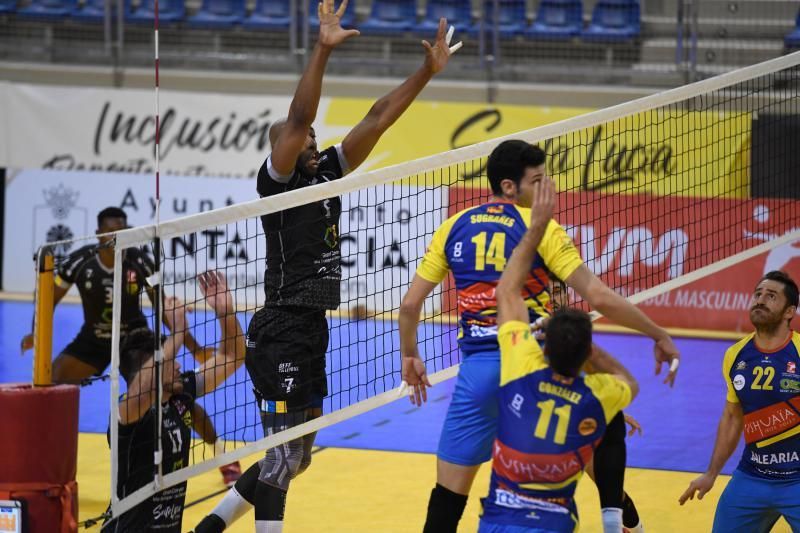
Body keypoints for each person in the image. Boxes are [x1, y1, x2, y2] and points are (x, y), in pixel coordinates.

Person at [193, 2, 461, 531]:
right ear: (283, 152)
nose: (314, 145)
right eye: (306, 143)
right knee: (281, 457)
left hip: (313, 326)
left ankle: (209, 528)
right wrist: (322, 47)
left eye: (316, 142)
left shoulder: (325, 176)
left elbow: (377, 117)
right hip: (281, 325)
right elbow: (298, 119)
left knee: (297, 457)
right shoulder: (276, 184)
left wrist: (425, 74)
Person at [398, 140, 679, 532]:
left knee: (447, 499)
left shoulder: (454, 225)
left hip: (478, 375)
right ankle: (623, 521)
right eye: (539, 181)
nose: (548, 190)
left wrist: (409, 355)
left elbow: (410, 306)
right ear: (510, 186)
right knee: (595, 440)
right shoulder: (541, 229)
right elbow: (597, 296)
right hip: (535, 369)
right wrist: (657, 333)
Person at [20, 207, 241, 485]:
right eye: (112, 232)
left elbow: (163, 307)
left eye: (123, 231)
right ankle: (44, 459)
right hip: (94, 339)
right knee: (49, 385)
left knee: (174, 397)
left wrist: (195, 349)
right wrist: (34, 333)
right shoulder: (79, 262)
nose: (118, 237)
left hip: (134, 339)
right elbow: (48, 297)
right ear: (99, 233)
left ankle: (224, 456)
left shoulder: (139, 261)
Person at [479, 176, 638, 531]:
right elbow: (620, 379)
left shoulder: (530, 348)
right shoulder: (552, 336)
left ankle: (620, 516)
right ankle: (616, 516)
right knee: (604, 435)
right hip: (561, 395)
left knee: (608, 460)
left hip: (548, 391)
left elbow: (507, 293)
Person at [103, 271, 245, 532]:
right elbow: (144, 389)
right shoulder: (127, 413)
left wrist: (225, 312)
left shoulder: (180, 394)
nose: (179, 364)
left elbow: (232, 357)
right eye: (169, 360)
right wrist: (178, 331)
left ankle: (223, 457)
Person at [679, 270, 800, 531]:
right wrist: (711, 474)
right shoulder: (735, 354)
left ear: (789, 312)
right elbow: (733, 417)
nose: (760, 300)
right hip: (752, 477)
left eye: (771, 296)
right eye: (757, 294)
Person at [546, 276, 644, 532]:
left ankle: (636, 528)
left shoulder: (573, 334)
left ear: (567, 297)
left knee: (609, 485)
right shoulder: (530, 335)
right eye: (548, 293)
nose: (554, 299)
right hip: (544, 421)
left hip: (577, 416)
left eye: (558, 292)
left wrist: (614, 411)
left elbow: (591, 375)